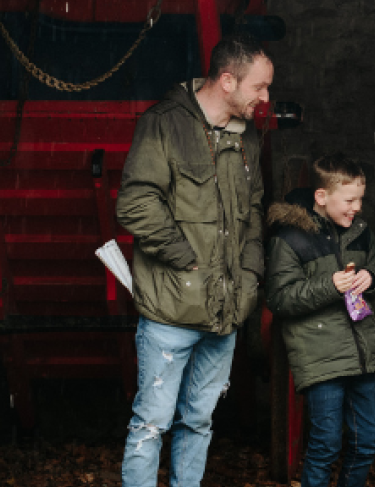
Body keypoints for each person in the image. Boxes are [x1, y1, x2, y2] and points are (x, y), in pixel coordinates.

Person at [117, 34, 273, 487]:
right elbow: (135, 204)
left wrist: (249, 276)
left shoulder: (249, 141)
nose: (266, 98)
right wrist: (186, 260)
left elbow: (254, 214)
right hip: (170, 310)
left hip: (226, 313)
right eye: (259, 87)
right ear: (227, 80)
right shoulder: (163, 124)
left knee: (199, 423)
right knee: (151, 425)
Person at [265, 153, 375, 487]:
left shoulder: (360, 232)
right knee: (325, 445)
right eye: (350, 200)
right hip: (320, 357)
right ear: (322, 197)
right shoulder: (289, 238)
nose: (357, 207)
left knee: (367, 442)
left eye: (360, 199)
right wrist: (329, 285)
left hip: (362, 352)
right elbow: (279, 298)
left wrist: (371, 277)